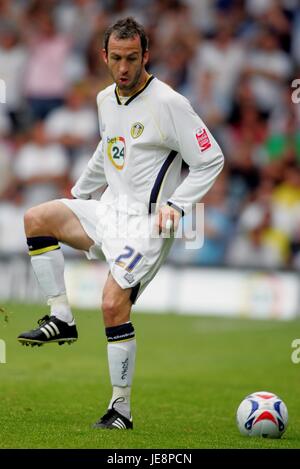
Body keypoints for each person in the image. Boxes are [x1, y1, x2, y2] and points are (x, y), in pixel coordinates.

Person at [18, 17, 224, 430]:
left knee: (112, 305)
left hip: (148, 225)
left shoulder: (170, 104)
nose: (124, 68)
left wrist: (179, 206)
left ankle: (120, 412)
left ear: (146, 56)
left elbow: (211, 158)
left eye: (132, 58)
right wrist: (80, 192)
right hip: (109, 211)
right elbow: (109, 148)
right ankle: (61, 317)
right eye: (116, 59)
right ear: (104, 57)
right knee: (37, 218)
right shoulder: (104, 100)